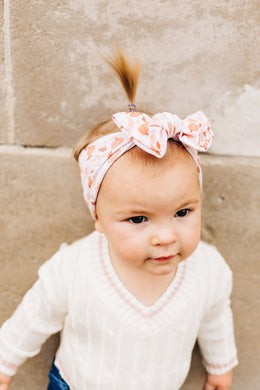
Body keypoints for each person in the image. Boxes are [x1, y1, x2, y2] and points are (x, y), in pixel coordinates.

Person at [0, 49, 238, 390]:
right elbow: (34, 316)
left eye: (182, 213)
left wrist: (220, 365)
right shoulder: (75, 268)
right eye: (139, 219)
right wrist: (5, 364)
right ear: (98, 216)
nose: (165, 236)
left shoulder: (208, 270)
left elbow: (215, 316)